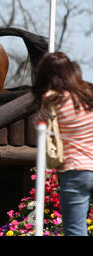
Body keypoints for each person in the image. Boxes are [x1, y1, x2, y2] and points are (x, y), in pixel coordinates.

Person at [32, 51, 93, 236]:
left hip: (74, 171)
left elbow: (39, 125)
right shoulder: (89, 94)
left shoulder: (52, 100)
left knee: (75, 230)